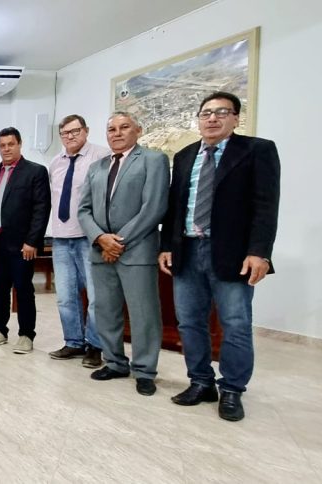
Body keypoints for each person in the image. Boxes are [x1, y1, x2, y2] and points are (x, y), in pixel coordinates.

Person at [159, 91, 280, 421]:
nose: (212, 118)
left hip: (232, 253)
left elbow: (266, 206)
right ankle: (200, 382)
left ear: (235, 118)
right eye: (206, 113)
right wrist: (167, 246)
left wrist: (259, 252)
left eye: (221, 112)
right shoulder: (185, 156)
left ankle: (232, 389)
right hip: (187, 249)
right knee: (189, 322)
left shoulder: (257, 150)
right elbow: (174, 207)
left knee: (235, 324)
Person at [78, 112, 169, 397]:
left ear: (138, 130)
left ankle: (144, 370)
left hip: (136, 252)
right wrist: (100, 238)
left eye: (124, 127)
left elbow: (154, 207)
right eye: (111, 129)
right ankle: (115, 362)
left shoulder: (153, 160)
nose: (116, 133)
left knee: (143, 314)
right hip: (101, 251)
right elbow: (83, 210)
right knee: (105, 311)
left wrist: (118, 242)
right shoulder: (97, 167)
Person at [47, 115, 112, 368]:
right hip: (61, 238)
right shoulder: (55, 162)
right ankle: (73, 342)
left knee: (96, 297)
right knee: (65, 296)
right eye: (65, 133)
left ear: (86, 131)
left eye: (75, 131)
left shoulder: (101, 156)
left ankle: (95, 345)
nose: (70, 136)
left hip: (89, 237)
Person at [0, 127, 51, 354]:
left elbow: (42, 208)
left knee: (23, 289)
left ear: (19, 144)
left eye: (11, 144)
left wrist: (32, 241)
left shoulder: (35, 171)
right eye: (2, 145)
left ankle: (26, 335)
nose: (6, 149)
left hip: (23, 245)